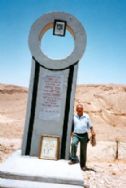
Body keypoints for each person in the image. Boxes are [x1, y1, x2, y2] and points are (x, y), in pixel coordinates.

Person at [69, 103, 96, 171]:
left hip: (84, 135)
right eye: (78, 110)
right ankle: (73, 159)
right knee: (73, 144)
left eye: (81, 109)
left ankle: (83, 165)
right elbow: (72, 125)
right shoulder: (74, 116)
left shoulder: (86, 116)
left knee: (83, 150)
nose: (80, 111)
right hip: (76, 134)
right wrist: (71, 132)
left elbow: (90, 125)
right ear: (76, 110)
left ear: (83, 109)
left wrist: (92, 131)